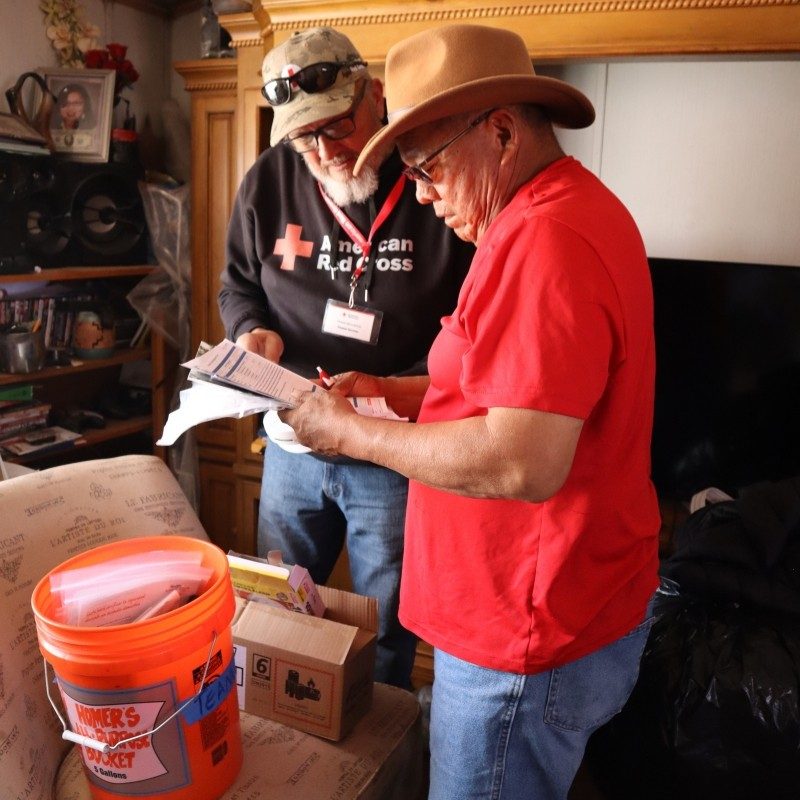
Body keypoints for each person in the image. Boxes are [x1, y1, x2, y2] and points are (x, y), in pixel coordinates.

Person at [281, 24, 662, 800]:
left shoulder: (546, 240)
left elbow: (521, 459)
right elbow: (515, 388)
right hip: (540, 615)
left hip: (521, 634)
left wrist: (351, 431)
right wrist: (394, 394)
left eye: (427, 166)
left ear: (499, 130)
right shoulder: (542, 215)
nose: (418, 191)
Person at [217, 27, 474, 690]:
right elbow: (240, 283)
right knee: (277, 603)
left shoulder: (432, 173)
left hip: (391, 446)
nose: (328, 151)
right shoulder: (268, 181)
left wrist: (400, 390)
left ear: (375, 96)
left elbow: (475, 316)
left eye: (341, 126)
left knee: (389, 620)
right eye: (306, 137)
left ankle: (381, 754)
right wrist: (253, 336)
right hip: (292, 442)